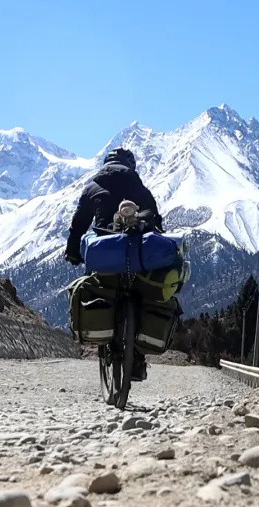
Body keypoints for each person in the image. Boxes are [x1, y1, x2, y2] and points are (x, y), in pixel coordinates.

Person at [65, 147, 163, 381]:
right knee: (141, 294)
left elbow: (78, 224)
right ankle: (137, 356)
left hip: (104, 255)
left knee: (100, 288)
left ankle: (105, 336)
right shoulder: (138, 186)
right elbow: (156, 219)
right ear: (131, 166)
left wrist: (72, 251)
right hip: (135, 257)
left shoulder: (92, 187)